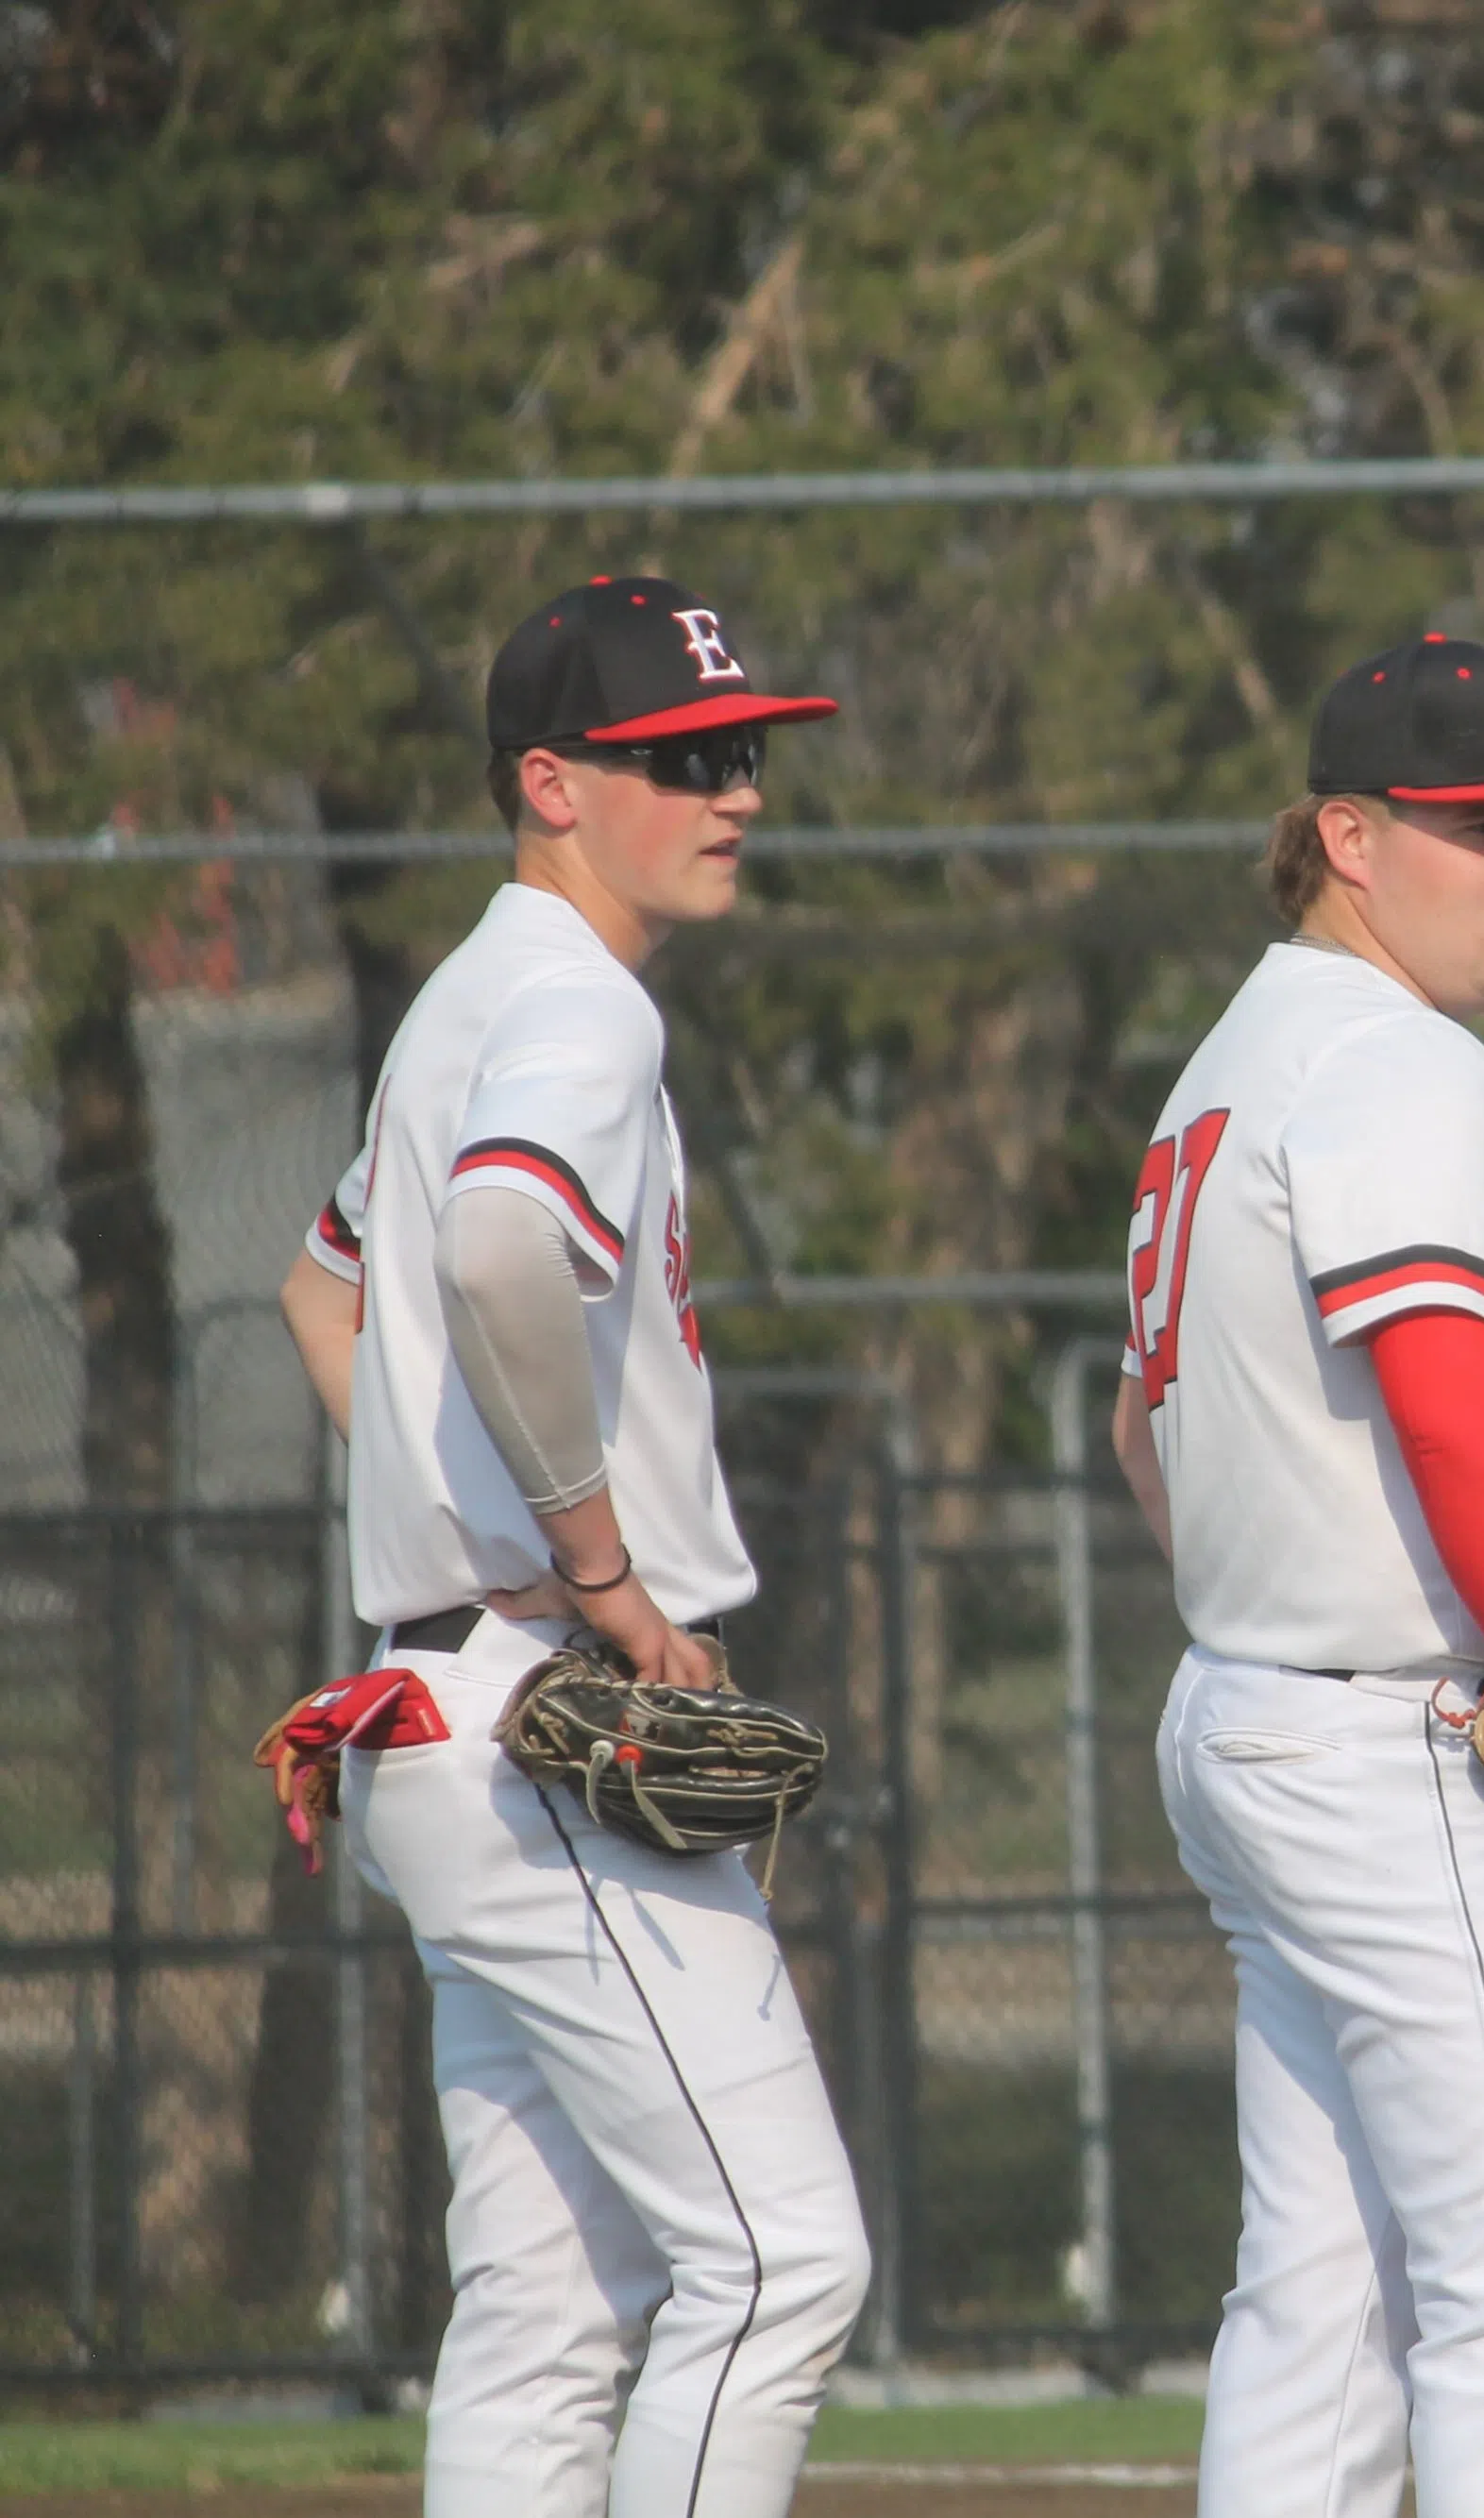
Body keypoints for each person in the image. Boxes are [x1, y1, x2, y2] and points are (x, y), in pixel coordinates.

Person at [275, 575, 869, 2518]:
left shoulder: (466, 997)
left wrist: (445, 1530)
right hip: (539, 1711)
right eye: (684, 760)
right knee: (781, 2259)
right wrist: (591, 1572)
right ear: (549, 781)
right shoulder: (574, 1005)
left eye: (748, 751)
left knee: (548, 2303)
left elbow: (318, 1290)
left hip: (446, 1702)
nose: (739, 791)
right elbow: (500, 1243)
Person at [1109, 635, 1484, 2518]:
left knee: (1321, 2299)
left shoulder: (1233, 1059)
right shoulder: (1395, 1066)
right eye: (1474, 824)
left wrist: (1285, 1598)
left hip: (1257, 1718)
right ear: (1347, 835)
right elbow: (1451, 1406)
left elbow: (1139, 1431)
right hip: (1397, 1741)